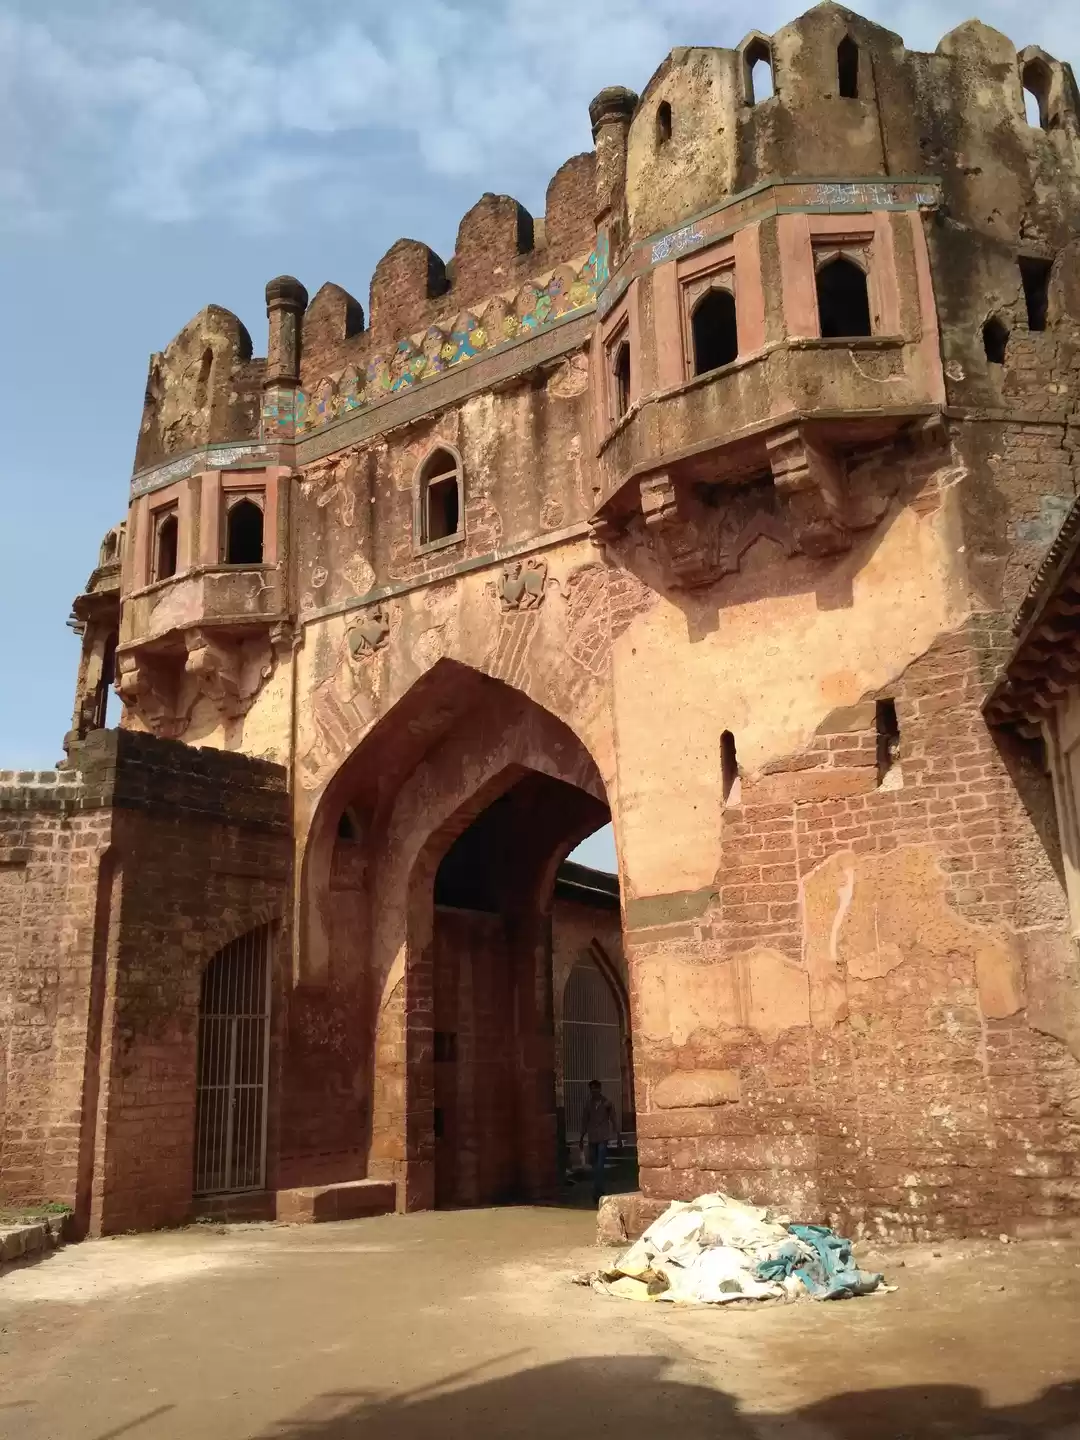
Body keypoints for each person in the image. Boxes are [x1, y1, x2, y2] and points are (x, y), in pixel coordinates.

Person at [578, 1079, 618, 1206]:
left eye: (596, 1089)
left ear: (600, 1089)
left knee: (600, 1164)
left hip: (603, 1137)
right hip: (592, 1138)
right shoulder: (588, 1105)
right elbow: (585, 1121)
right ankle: (599, 1188)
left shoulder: (607, 1103)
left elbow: (613, 1119)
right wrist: (581, 1137)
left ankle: (597, 1192)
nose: (594, 1091)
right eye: (592, 1089)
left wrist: (618, 1135)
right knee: (595, 1165)